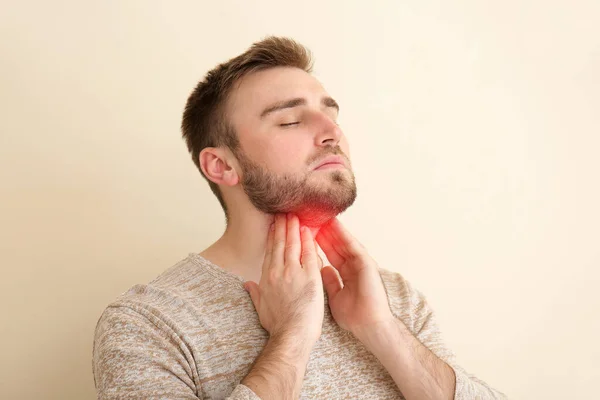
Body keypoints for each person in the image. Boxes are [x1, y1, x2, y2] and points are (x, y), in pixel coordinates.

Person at [92, 36, 507, 399]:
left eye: (333, 115)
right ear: (221, 166)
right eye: (290, 120)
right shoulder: (149, 324)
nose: (332, 133)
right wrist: (291, 337)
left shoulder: (391, 297)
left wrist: (381, 329)